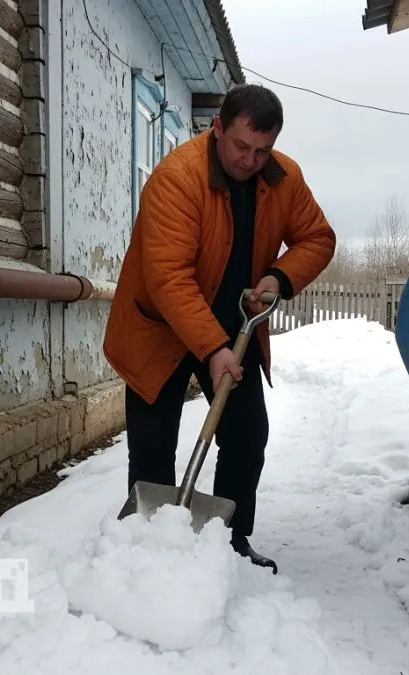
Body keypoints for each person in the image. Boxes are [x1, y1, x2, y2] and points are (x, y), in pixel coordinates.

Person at [103, 83, 336, 573]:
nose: (251, 160)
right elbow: (168, 278)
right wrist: (211, 349)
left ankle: (229, 545)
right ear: (216, 129)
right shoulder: (176, 178)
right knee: (153, 442)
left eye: (262, 150)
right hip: (160, 330)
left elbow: (318, 237)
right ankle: (148, 555)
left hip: (235, 328)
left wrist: (277, 275)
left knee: (248, 435)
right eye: (240, 146)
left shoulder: (284, 178)